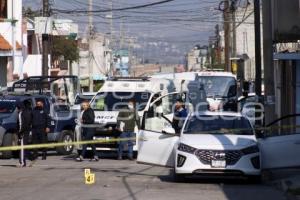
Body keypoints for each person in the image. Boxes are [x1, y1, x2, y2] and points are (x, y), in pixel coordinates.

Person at [17, 100, 32, 167]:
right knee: (25, 146)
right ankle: (27, 160)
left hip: (23, 132)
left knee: (22, 147)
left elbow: (21, 124)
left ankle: (22, 162)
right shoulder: (30, 112)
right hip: (28, 131)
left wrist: (20, 132)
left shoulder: (21, 113)